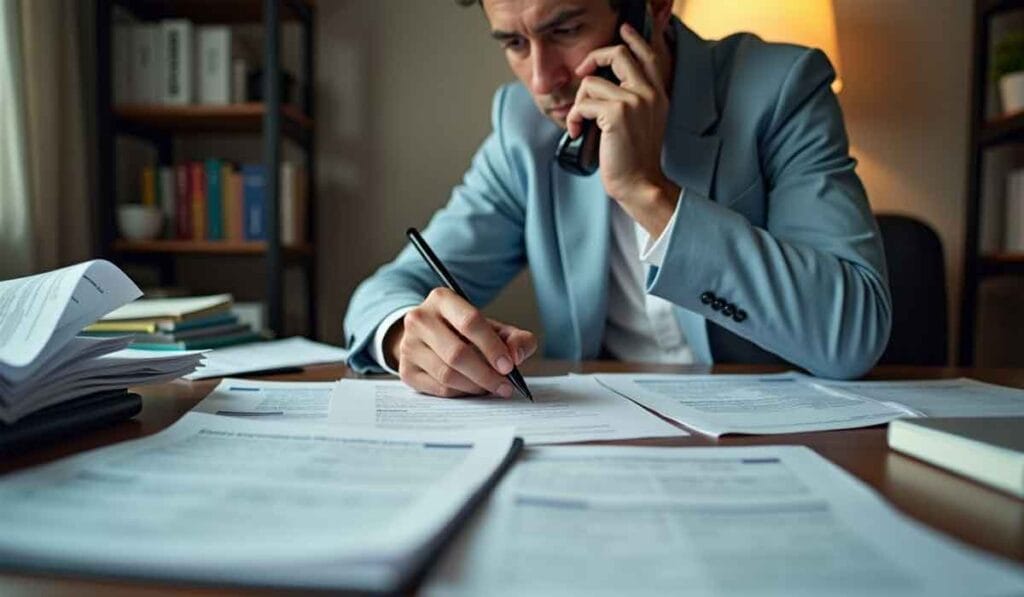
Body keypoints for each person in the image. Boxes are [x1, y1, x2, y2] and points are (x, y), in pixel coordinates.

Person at [343, 0, 892, 398]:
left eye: (566, 29)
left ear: (651, 8)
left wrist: (648, 192)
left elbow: (851, 334)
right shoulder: (524, 130)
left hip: (766, 437)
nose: (541, 80)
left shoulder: (782, 88)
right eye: (514, 43)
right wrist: (402, 336)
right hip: (595, 438)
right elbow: (385, 291)